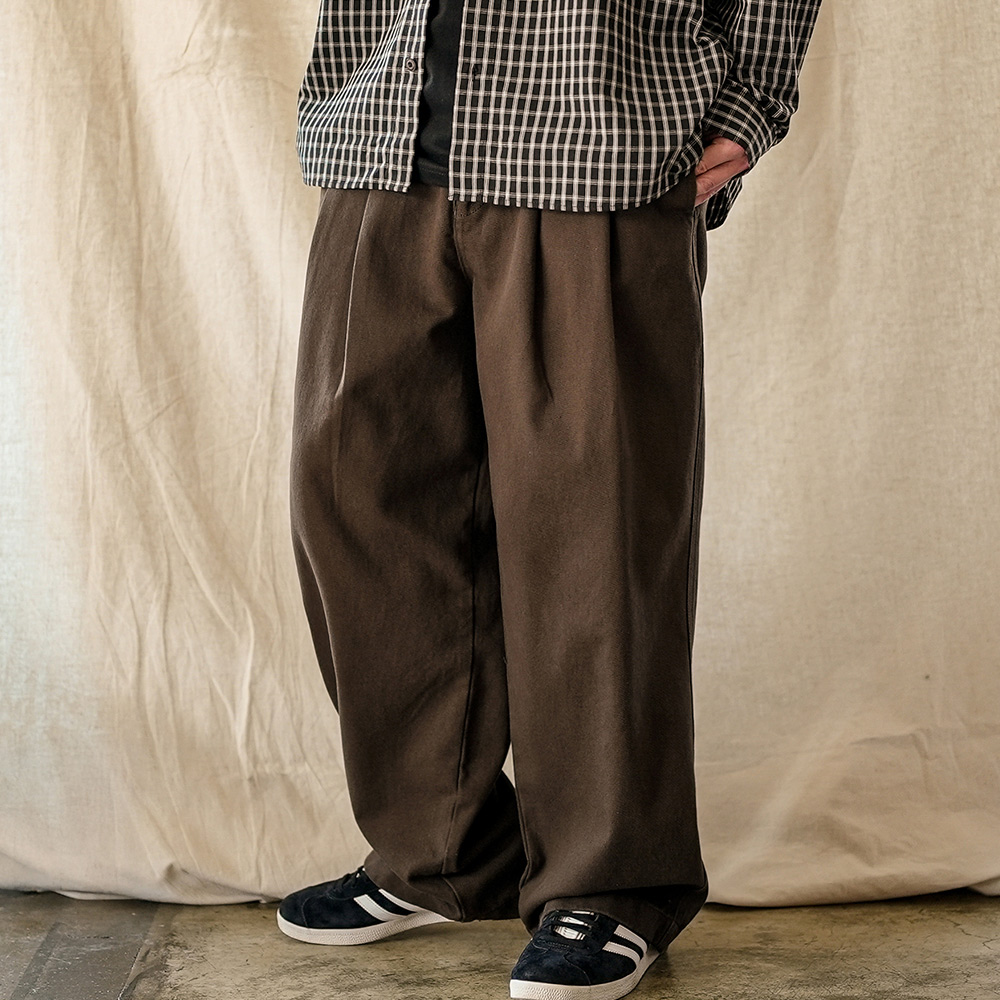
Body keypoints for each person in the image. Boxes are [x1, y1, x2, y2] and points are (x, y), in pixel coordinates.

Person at [278, 0, 822, 997]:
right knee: (356, 499)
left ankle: (611, 884)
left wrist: (748, 97)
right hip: (383, 125)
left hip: (593, 133)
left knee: (593, 528)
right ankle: (442, 850)